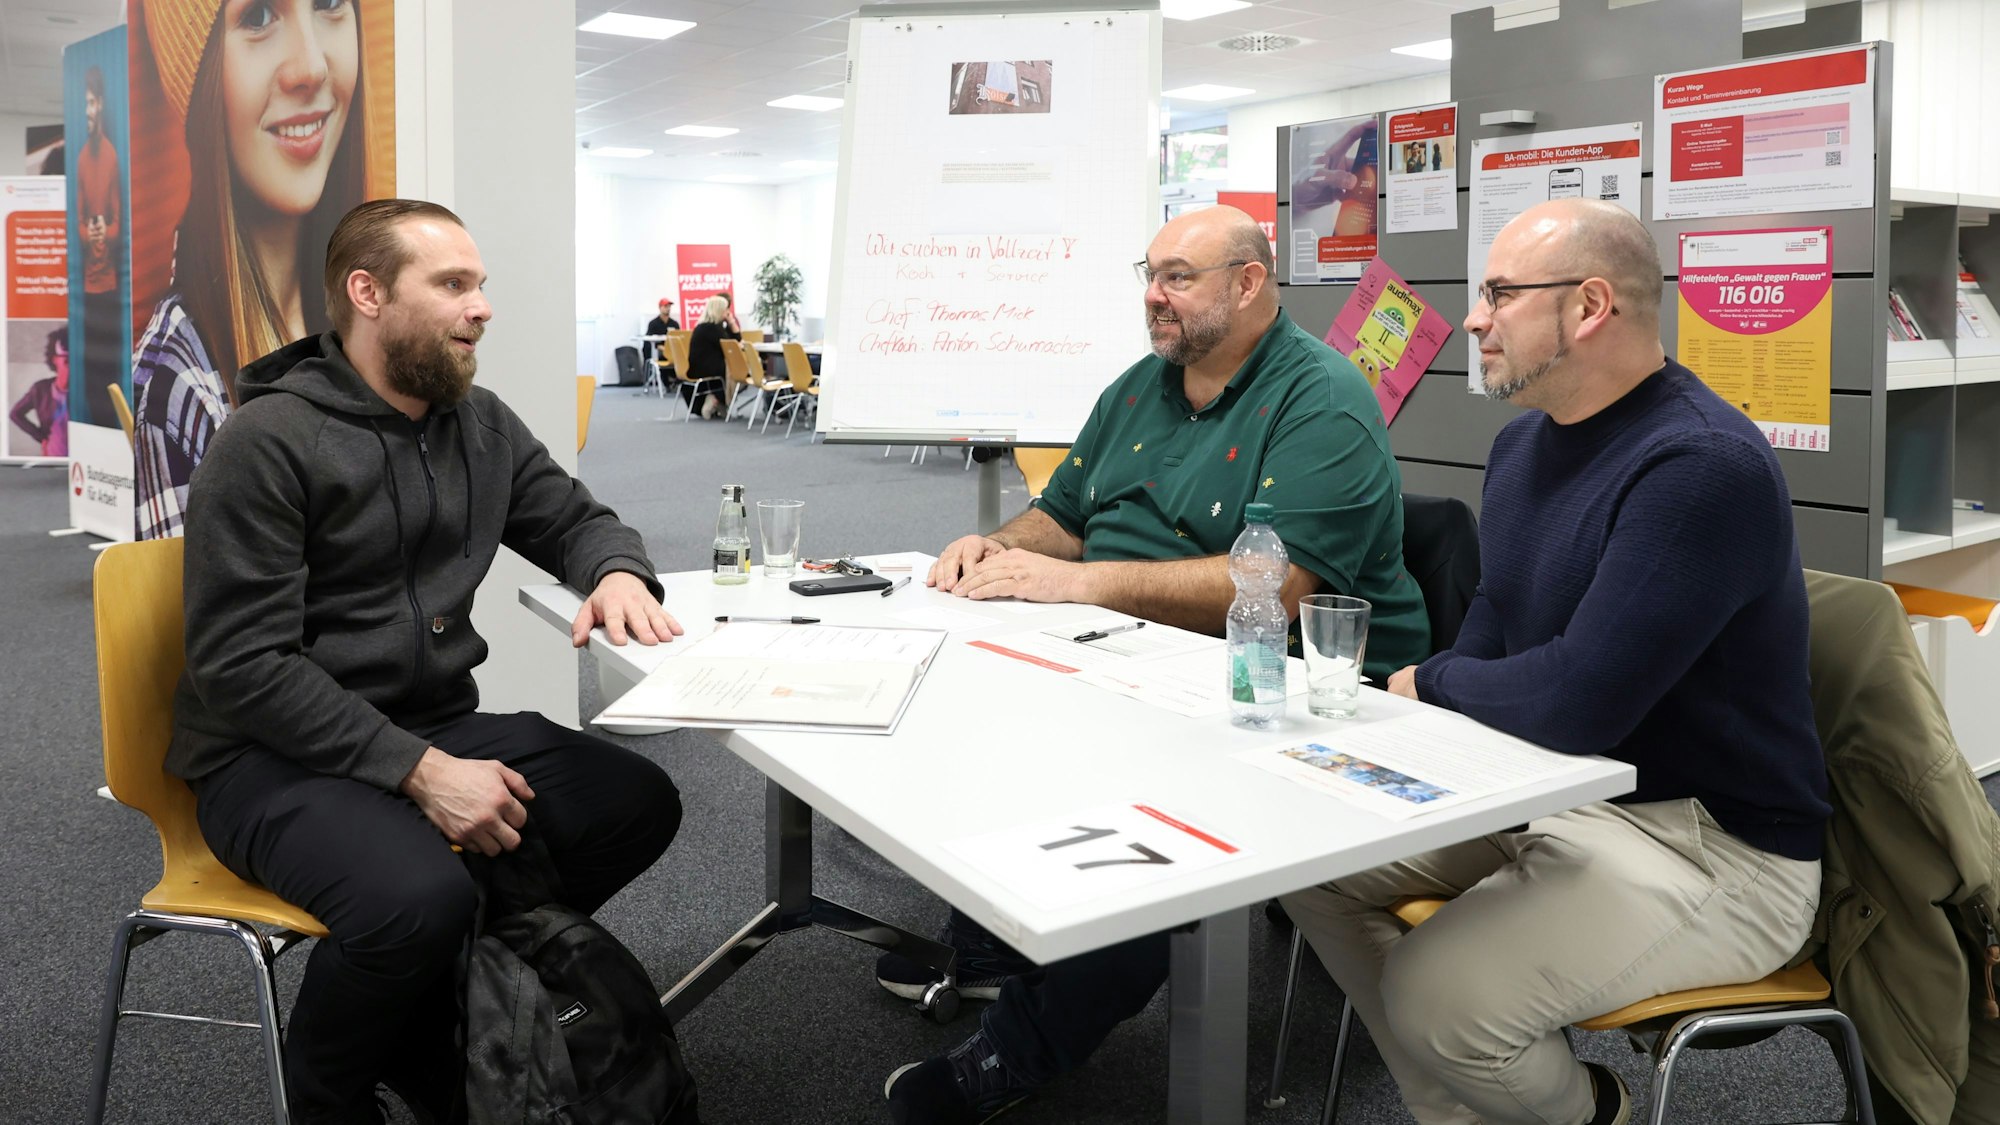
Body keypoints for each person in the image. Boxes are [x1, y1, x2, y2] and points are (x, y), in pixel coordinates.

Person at [1279, 199, 1830, 1125]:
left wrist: (1428, 681)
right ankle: (1467, 1110)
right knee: (1308, 860)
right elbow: (1497, 627)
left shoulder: (1700, 465)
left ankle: (1589, 1110)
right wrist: (1431, 715)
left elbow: (1577, 700)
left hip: (1713, 849)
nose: (1474, 319)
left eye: (1499, 293)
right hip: (1558, 789)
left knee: (1435, 996)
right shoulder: (1523, 443)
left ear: (1590, 306)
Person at [880, 205, 1429, 1124]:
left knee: (1144, 822)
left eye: (1179, 276)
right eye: (1151, 273)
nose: (1153, 295)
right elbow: (1063, 515)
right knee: (984, 715)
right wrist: (999, 548)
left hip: (1284, 688)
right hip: (1132, 653)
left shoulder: (1322, 397)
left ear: (1247, 284)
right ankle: (998, 935)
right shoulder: (1142, 385)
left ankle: (1020, 1047)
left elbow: (1274, 584)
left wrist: (1078, 584)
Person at [171, 198, 688, 1125]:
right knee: (417, 898)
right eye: (452, 284)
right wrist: (420, 771)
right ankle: (326, 1093)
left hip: (429, 721)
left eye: (479, 284)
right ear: (368, 294)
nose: (481, 306)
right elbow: (242, 665)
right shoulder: (268, 442)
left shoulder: (477, 424)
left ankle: (427, 1003)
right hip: (267, 755)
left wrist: (615, 571)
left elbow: (576, 519)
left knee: (633, 802)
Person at [132, 0, 371, 540]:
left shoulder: (363, 316)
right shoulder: (179, 382)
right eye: (258, 16)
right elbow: (208, 595)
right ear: (201, 80)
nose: (311, 67)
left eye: (330, 3)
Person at [75, 64, 123, 428]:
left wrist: (104, 232)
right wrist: (87, 234)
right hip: (88, 289)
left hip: (109, 287)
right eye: (84, 104)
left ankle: (111, 426)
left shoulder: (110, 156)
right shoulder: (80, 159)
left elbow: (119, 223)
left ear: (101, 104)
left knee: (109, 368)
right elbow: (77, 221)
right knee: (91, 367)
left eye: (91, 103)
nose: (87, 111)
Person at [8, 328, 70, 457]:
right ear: (55, 359)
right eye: (66, 361)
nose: (71, 367)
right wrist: (41, 438)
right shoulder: (40, 389)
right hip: (52, 456)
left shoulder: (82, 391)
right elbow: (15, 414)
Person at [683, 293, 739, 419]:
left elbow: (733, 342)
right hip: (709, 370)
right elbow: (733, 347)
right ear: (719, 310)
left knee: (737, 369)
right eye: (726, 309)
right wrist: (732, 322)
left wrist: (730, 324)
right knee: (742, 372)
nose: (728, 312)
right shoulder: (713, 329)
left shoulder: (703, 326)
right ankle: (716, 399)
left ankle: (720, 403)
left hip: (697, 368)